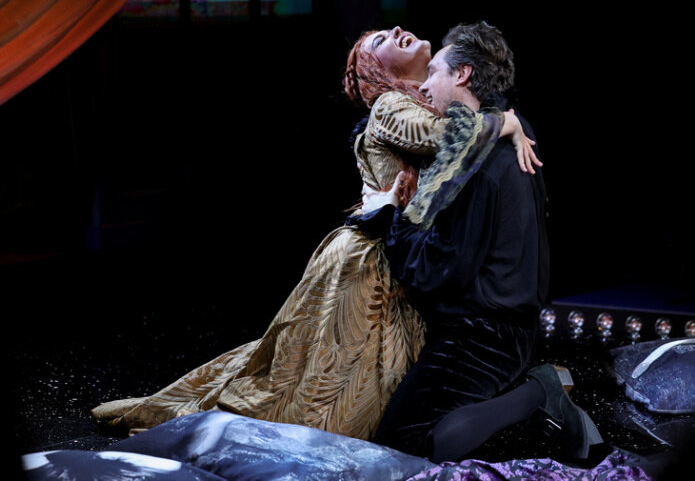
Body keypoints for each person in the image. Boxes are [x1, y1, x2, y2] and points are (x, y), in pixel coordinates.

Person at [91, 25, 539, 441]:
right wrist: (506, 122)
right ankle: (205, 424)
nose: (397, 30)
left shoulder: (442, 108)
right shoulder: (390, 106)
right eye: (380, 40)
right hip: (369, 264)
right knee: (317, 384)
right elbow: (446, 139)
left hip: (404, 267)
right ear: (378, 72)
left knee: (360, 388)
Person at [352, 21, 601, 462]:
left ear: (462, 74)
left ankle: (541, 393)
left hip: (482, 335)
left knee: (402, 446)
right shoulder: (512, 131)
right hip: (503, 326)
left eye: (433, 73)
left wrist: (387, 215)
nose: (424, 87)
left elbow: (437, 269)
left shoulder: (478, 163)